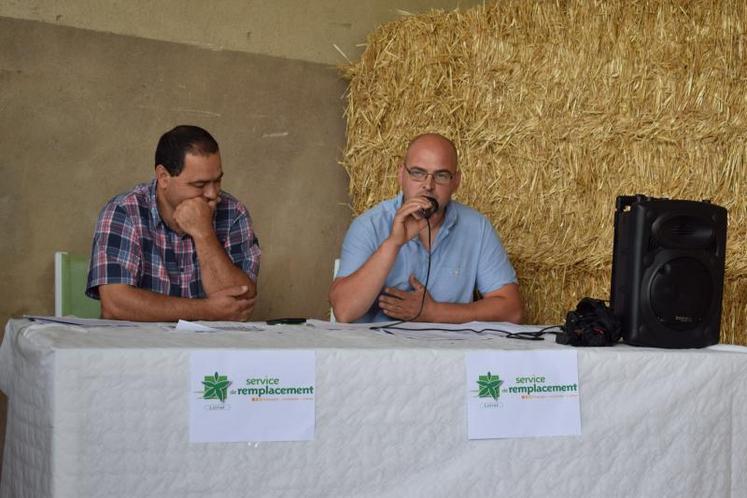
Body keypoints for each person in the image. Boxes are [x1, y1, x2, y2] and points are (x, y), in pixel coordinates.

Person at [329, 133, 522, 324]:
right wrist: (393, 244)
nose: (428, 185)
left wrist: (435, 312)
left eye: (441, 175)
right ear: (401, 175)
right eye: (418, 173)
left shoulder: (477, 227)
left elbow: (512, 310)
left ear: (456, 182)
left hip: (449, 352)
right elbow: (344, 311)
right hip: (379, 352)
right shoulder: (369, 225)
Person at [86, 125, 260, 321]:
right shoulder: (123, 211)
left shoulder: (234, 213)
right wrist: (207, 310)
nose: (212, 194)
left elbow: (239, 304)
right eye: (199, 185)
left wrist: (204, 233)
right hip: (139, 348)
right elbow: (116, 305)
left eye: (217, 181)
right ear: (163, 177)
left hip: (211, 349)